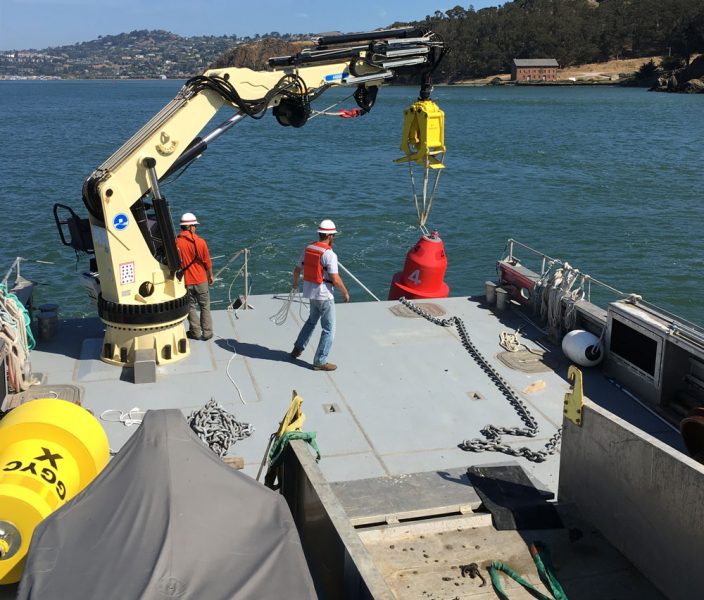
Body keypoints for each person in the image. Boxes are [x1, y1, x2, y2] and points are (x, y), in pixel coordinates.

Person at [290, 219, 349, 371]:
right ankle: (320, 361)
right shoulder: (329, 255)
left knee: (311, 321)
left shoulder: (308, 248)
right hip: (325, 296)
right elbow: (335, 279)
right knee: (329, 329)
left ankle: (297, 349)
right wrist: (345, 292)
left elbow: (297, 270)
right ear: (330, 236)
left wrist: (295, 284)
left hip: (311, 293)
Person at [175, 212, 214, 341]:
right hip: (201, 280)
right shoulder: (201, 242)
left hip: (186, 282)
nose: (196, 228)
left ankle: (195, 332)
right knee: (205, 306)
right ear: (190, 226)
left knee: (190, 307)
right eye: (195, 226)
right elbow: (207, 262)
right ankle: (207, 332)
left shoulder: (177, 242)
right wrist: (210, 276)